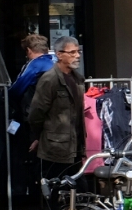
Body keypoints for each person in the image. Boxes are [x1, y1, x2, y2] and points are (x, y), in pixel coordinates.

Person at [24, 37, 86, 184]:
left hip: (75, 147)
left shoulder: (78, 79)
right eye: (72, 52)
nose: (77, 56)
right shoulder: (49, 79)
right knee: (56, 189)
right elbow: (36, 113)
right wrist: (39, 136)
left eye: (78, 52)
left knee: (78, 189)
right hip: (55, 148)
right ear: (59, 54)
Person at [9, 33, 53, 103]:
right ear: (47, 49)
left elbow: (17, 88)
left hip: (35, 106)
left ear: (29, 50)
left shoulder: (33, 65)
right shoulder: (55, 64)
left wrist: (5, 95)